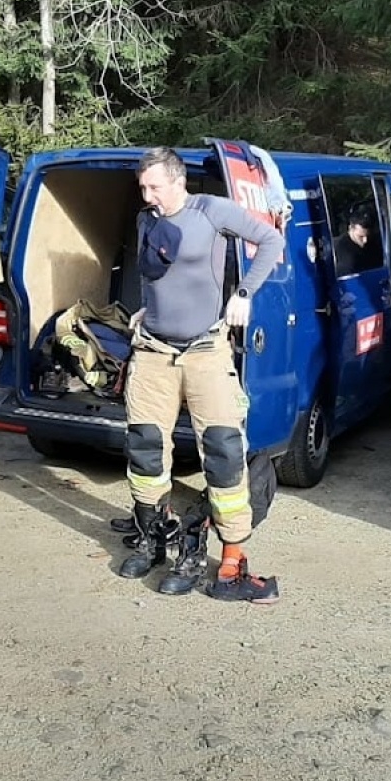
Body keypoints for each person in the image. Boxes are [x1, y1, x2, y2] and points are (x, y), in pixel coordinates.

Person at [118, 147, 287, 603]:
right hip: (153, 352)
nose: (148, 194)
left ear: (178, 181)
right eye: (143, 187)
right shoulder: (145, 219)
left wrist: (245, 293)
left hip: (206, 352)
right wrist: (146, 309)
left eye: (155, 186)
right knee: (146, 450)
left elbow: (272, 241)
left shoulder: (212, 211)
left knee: (223, 451)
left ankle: (232, 556)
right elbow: (156, 276)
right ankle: (153, 538)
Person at [333, 211, 380, 276]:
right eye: (361, 236)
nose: (365, 240)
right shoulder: (346, 256)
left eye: (368, 235)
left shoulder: (373, 244)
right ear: (351, 228)